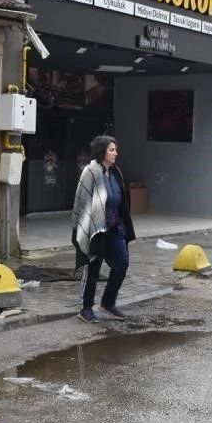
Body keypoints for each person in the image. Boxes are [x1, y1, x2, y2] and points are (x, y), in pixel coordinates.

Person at [72, 135, 136, 323]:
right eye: (111, 150)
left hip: (115, 227)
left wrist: (123, 225)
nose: (115, 153)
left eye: (115, 150)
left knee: (122, 264)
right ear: (102, 152)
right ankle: (86, 308)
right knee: (92, 268)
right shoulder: (90, 172)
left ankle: (108, 303)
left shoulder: (115, 172)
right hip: (95, 229)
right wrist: (87, 227)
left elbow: (120, 200)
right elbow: (82, 202)